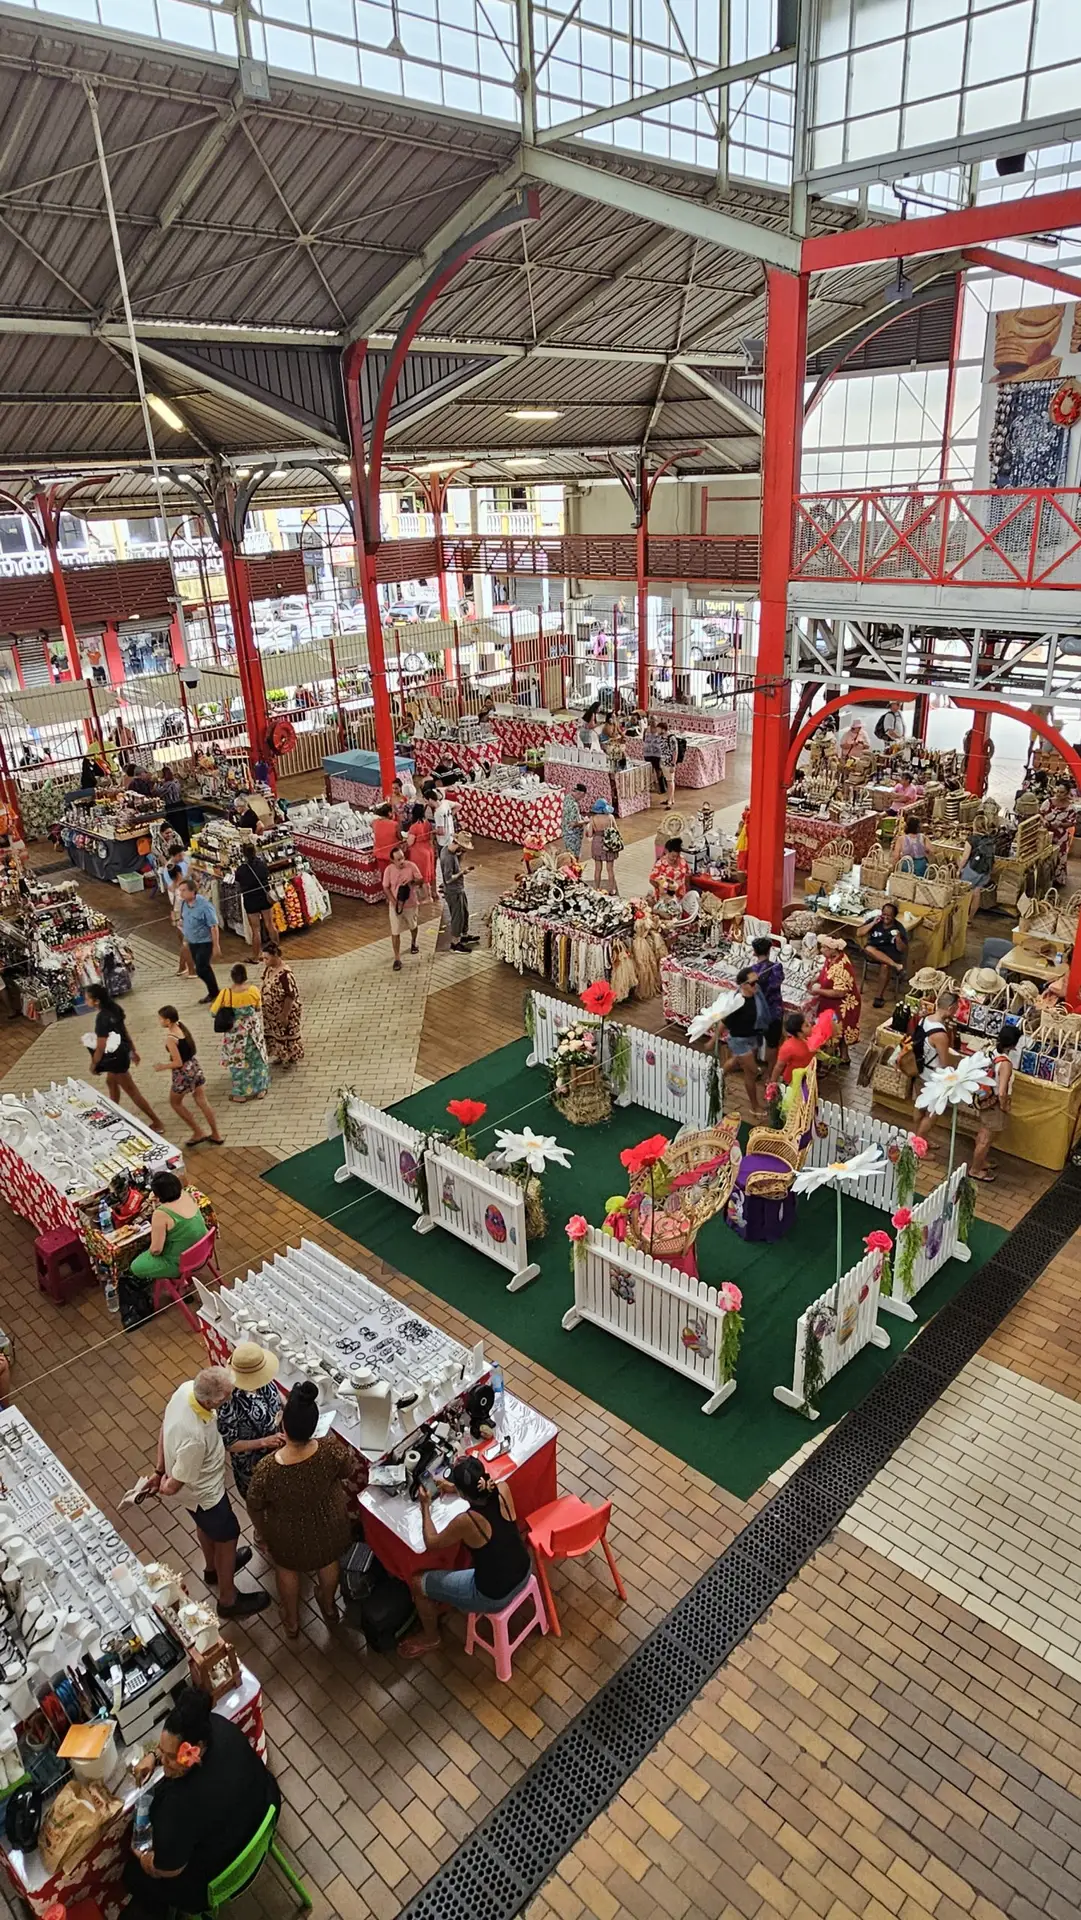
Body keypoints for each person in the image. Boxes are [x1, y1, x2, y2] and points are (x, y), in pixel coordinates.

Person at [122, 1686, 278, 1916]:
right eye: (162, 1753)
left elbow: (169, 1869)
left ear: (197, 1748)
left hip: (224, 1873)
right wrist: (154, 1756)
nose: (164, 1764)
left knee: (134, 1875)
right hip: (263, 1808)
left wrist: (147, 1862)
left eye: (171, 1757)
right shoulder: (218, 1726)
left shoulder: (179, 1805)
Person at [149, 1368, 269, 1618]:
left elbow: (164, 1427)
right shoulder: (194, 1436)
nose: (231, 1397)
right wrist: (163, 1485)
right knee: (228, 1534)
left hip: (195, 1499)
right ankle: (228, 1599)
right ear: (213, 1401)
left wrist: (159, 1469)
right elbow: (175, 1485)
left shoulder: (185, 1390)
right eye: (227, 1395)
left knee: (205, 1526)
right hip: (206, 1495)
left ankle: (213, 1568)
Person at [246, 1382, 354, 1640]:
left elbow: (254, 1505)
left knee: (287, 1570)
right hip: (330, 1523)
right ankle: (329, 1605)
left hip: (287, 1534)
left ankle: (292, 1621)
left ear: (284, 1427)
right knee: (328, 1562)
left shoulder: (267, 1469)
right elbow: (348, 1471)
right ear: (314, 1425)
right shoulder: (330, 1449)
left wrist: (263, 1532)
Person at [401, 1454, 532, 1660]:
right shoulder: (503, 1489)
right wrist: (456, 1489)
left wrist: (425, 1506)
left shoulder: (468, 1521)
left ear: (463, 1494)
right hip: (524, 1570)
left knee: (418, 1582)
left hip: (494, 1595)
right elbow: (486, 1490)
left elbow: (432, 1542)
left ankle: (431, 1637)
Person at [85, 984, 163, 1130]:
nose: (85, 1002)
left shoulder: (102, 1018)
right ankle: (113, 1112)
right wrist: (132, 1050)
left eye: (87, 999)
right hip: (122, 1051)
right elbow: (123, 1031)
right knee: (111, 1082)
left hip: (115, 1058)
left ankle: (157, 1122)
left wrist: (94, 1064)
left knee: (131, 1091)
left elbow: (101, 1046)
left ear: (96, 1001)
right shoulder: (115, 1009)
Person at [216, 1342, 284, 1509]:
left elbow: (275, 1393)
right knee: (263, 1504)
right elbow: (230, 1444)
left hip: (276, 1452)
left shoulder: (263, 1379)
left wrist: (287, 1405)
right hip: (253, 1463)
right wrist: (264, 1442)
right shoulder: (227, 1402)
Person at [154, 1006, 223, 1147]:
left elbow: (178, 1062)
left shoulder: (171, 1038)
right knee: (202, 1100)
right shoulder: (181, 1028)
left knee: (175, 1102)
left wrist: (163, 1066)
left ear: (168, 1021)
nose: (159, 1021)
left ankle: (198, 1132)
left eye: (160, 1019)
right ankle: (216, 1133)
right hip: (194, 1067)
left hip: (183, 1074)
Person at [129, 1170, 209, 1286]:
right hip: (203, 1248)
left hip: (181, 1263)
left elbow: (156, 1250)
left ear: (158, 1195)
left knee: (135, 1266)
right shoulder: (187, 1195)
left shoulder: (161, 1214)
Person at [211, 963, 271, 1103]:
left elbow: (213, 1012)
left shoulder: (225, 993)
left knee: (238, 1063)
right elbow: (258, 1007)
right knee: (258, 1060)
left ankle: (241, 1094)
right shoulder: (253, 990)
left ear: (232, 977)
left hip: (235, 1035)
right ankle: (261, 1089)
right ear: (245, 976)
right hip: (253, 1032)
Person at [970, 1026, 1015, 1182]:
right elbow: (1002, 1092)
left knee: (983, 1133)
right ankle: (975, 1169)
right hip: (994, 1104)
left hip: (984, 1099)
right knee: (986, 1139)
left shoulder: (991, 1051)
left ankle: (981, 1162)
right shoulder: (1006, 1064)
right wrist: (1004, 1106)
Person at [715, 967, 762, 1114]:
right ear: (743, 985)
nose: (756, 985)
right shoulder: (737, 1003)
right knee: (751, 1072)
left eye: (757, 981)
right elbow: (723, 1021)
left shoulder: (755, 996)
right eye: (753, 983)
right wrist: (713, 1039)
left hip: (751, 1037)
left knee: (736, 1061)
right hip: (739, 1041)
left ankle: (718, 1076)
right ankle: (755, 1107)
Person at [912, 991, 959, 1140]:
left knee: (919, 1106)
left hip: (919, 1070)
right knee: (932, 1113)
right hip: (932, 1078)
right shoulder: (940, 1035)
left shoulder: (924, 1020)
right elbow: (944, 1064)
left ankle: (917, 1138)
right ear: (950, 1008)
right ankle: (919, 1142)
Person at [814, 936, 861, 1063]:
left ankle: (827, 1062)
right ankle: (844, 1057)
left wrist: (818, 991)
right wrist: (815, 979)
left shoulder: (841, 967)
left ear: (833, 950)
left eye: (824, 947)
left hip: (843, 1004)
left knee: (836, 1030)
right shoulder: (831, 958)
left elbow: (839, 992)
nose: (821, 950)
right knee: (841, 1029)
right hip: (833, 1002)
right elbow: (825, 973)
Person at [260, 942, 304, 1065]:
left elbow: (290, 995)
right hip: (271, 1014)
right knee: (276, 1035)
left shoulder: (285, 974)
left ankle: (290, 1058)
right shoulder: (269, 969)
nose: (264, 961)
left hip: (285, 1012)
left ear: (275, 955)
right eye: (263, 958)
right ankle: (280, 1055)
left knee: (287, 1035)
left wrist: (284, 1014)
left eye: (267, 958)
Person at [178, 881, 221, 1002]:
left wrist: (216, 945)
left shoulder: (205, 906)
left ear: (192, 891)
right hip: (193, 942)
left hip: (205, 942)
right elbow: (184, 918)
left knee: (201, 968)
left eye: (184, 890)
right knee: (203, 967)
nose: (181, 893)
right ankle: (214, 991)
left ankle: (214, 992)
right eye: (180, 890)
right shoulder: (184, 904)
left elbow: (213, 926)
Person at [383, 843, 424, 969]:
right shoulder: (389, 870)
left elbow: (421, 880)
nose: (402, 861)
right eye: (398, 859)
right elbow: (385, 887)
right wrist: (394, 902)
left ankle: (414, 942)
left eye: (402, 858)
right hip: (395, 906)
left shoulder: (411, 866)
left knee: (413, 925)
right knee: (395, 931)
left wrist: (412, 881)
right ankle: (397, 958)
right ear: (392, 860)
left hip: (410, 904)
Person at [861, 899, 909, 1007]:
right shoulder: (876, 920)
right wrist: (873, 923)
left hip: (889, 954)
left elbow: (902, 949)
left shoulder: (899, 927)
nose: (886, 917)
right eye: (884, 914)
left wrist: (898, 939)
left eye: (889, 915)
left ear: (894, 917)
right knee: (868, 948)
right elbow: (859, 933)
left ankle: (879, 997)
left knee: (885, 966)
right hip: (873, 951)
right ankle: (897, 966)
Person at [751, 934, 784, 1076]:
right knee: (772, 1043)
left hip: (757, 1011)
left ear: (754, 952)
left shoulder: (752, 970)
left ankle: (753, 1070)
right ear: (769, 950)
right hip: (773, 1011)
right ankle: (771, 1074)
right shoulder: (777, 967)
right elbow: (777, 983)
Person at [235, 842, 274, 961]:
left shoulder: (241, 870)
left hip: (250, 900)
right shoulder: (262, 865)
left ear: (243, 854)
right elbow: (267, 877)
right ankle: (276, 951)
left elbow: (238, 886)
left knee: (256, 930)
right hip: (264, 897)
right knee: (270, 925)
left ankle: (256, 956)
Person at [776, 1009, 835, 1085]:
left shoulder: (813, 1037)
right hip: (793, 1080)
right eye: (806, 1025)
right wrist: (772, 1083)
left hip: (808, 1076)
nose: (810, 1025)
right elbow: (779, 1066)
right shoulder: (787, 1047)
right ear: (799, 1033)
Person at [440, 833, 476, 951]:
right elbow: (448, 879)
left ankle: (464, 935)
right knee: (457, 917)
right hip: (453, 891)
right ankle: (455, 943)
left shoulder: (448, 850)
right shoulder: (448, 858)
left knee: (464, 912)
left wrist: (461, 857)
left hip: (459, 888)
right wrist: (462, 873)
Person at [959, 817, 998, 910]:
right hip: (985, 871)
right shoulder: (990, 840)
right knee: (976, 893)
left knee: (963, 894)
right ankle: (971, 917)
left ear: (975, 825)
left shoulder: (971, 839)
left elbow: (965, 858)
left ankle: (963, 916)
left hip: (973, 871)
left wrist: (959, 869)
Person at [588, 799, 623, 894]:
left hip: (597, 842)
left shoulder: (593, 818)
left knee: (597, 868)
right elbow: (616, 830)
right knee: (610, 869)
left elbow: (590, 834)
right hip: (609, 843)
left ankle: (597, 888)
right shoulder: (610, 817)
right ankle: (612, 889)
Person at [405, 802, 436, 901]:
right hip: (428, 849)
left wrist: (406, 838)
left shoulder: (414, 827)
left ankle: (428, 897)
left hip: (418, 852)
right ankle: (433, 893)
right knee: (429, 873)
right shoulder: (427, 823)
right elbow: (431, 837)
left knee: (422, 875)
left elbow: (410, 842)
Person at [644, 718, 677, 806]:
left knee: (670, 782)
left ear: (663, 729)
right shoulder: (661, 737)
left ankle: (669, 800)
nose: (657, 731)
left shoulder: (671, 738)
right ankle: (671, 798)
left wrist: (673, 764)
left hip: (669, 763)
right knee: (668, 781)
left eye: (658, 729)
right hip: (663, 762)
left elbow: (675, 752)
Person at [159, 768, 188, 846]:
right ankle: (185, 841)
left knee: (176, 826)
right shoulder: (176, 781)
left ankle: (179, 843)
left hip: (172, 806)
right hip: (180, 804)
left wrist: (157, 784)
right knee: (183, 824)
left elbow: (159, 793)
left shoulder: (167, 784)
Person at [894, 813, 928, 878]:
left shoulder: (901, 839)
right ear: (918, 827)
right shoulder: (923, 837)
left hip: (906, 865)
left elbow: (896, 856)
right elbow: (932, 850)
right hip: (921, 867)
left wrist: (894, 868)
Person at [371, 802, 401, 873]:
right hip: (392, 855)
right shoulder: (394, 825)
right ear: (389, 813)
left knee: (384, 874)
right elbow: (400, 837)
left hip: (379, 854)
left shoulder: (374, 822)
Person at [562, 783, 587, 859]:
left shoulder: (567, 797)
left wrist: (580, 817)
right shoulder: (574, 805)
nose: (581, 799)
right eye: (582, 796)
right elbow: (573, 823)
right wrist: (585, 821)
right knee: (574, 857)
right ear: (579, 793)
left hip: (566, 831)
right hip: (573, 835)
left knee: (569, 854)